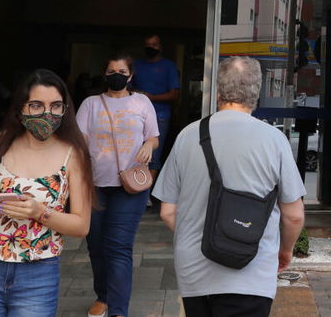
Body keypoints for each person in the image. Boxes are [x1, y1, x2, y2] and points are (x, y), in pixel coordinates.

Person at [152, 56, 306, 317]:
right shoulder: (274, 140)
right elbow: (293, 216)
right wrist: (285, 251)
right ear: (256, 93)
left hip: (195, 274)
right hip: (251, 273)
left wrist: (205, 237)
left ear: (218, 91)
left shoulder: (188, 135)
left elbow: (167, 211)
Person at [0, 69, 93, 316]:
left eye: (56, 106)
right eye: (36, 105)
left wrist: (39, 212)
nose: (47, 113)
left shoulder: (74, 154)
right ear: (21, 108)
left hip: (38, 272)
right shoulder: (0, 142)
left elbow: (81, 225)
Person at [77, 55, 159, 317]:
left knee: (119, 246)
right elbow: (79, 141)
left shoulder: (142, 102)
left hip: (130, 186)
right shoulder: (91, 104)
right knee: (96, 245)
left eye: (122, 71)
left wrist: (148, 145)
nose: (117, 75)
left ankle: (118, 310)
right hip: (95, 185)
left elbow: (153, 137)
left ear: (130, 76)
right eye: (112, 70)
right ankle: (103, 296)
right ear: (104, 74)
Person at [132, 34, 179, 180]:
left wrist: (151, 97)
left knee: (153, 155)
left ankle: (145, 192)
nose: (150, 48)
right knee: (134, 153)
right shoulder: (137, 65)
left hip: (160, 115)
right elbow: (127, 89)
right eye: (148, 44)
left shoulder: (169, 66)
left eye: (154, 44)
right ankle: (132, 185)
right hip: (135, 115)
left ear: (160, 47)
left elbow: (174, 94)